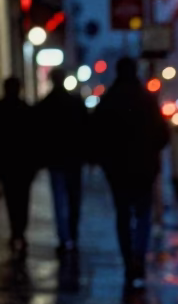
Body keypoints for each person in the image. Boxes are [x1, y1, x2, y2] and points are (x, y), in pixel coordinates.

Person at [91, 56, 169, 288]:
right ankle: (139, 258)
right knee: (143, 214)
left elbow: (95, 134)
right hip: (144, 168)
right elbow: (162, 134)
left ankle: (128, 261)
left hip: (118, 171)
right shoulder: (147, 100)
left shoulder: (109, 100)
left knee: (123, 215)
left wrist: (103, 160)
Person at [35, 67, 88, 254]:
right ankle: (72, 234)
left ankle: (63, 236)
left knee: (59, 199)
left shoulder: (45, 104)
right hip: (73, 159)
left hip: (55, 159)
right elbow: (85, 130)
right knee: (74, 198)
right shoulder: (74, 102)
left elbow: (39, 134)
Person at [0, 76, 36, 255]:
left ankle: (16, 230)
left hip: (7, 163)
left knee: (11, 198)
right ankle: (20, 230)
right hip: (23, 164)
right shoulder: (26, 109)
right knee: (22, 199)